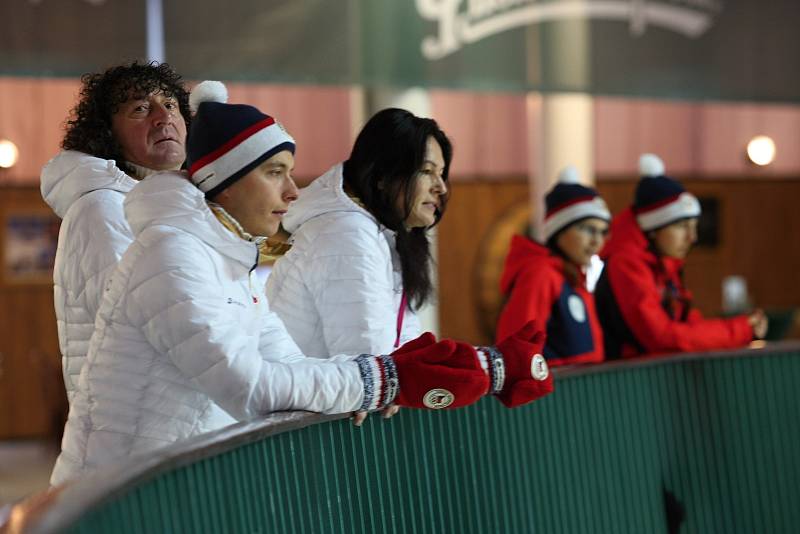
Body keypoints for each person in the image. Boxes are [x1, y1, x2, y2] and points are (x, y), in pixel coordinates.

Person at [50, 82, 552, 485]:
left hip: (174, 485)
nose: (293, 191)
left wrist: (375, 379)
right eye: (275, 172)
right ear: (226, 180)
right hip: (116, 498)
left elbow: (287, 362)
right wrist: (382, 380)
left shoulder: (228, 257)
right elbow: (249, 386)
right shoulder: (171, 254)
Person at [40, 61, 190, 404]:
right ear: (108, 133)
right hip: (136, 424)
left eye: (170, 105)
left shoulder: (176, 204)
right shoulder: (103, 209)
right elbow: (142, 322)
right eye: (140, 108)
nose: (163, 116)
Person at [266, 108, 450, 358]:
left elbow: (399, 352)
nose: (440, 187)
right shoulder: (346, 235)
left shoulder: (378, 234)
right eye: (426, 171)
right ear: (383, 175)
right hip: (308, 397)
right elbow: (367, 367)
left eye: (441, 173)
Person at [594, 154, 768, 358]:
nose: (692, 237)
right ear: (653, 229)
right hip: (623, 383)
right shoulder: (626, 264)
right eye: (681, 226)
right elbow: (662, 337)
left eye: (694, 227)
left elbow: (686, 322)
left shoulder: (663, 263)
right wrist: (739, 330)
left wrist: (742, 326)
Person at [496, 167, 611, 366]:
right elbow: (518, 349)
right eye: (588, 230)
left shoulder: (574, 276)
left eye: (602, 232)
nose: (597, 242)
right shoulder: (541, 274)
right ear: (560, 231)